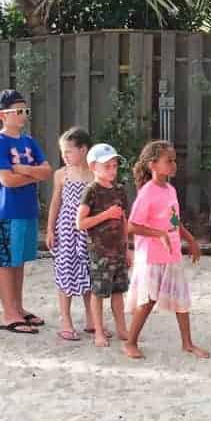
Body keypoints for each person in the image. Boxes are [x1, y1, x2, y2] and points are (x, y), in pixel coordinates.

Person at [124, 140, 209, 360]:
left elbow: (174, 220)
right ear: (153, 165)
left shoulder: (170, 189)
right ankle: (130, 342)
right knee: (148, 300)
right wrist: (158, 234)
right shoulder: (147, 193)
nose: (173, 164)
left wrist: (190, 240)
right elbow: (131, 226)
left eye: (174, 160)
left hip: (172, 254)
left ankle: (187, 343)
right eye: (168, 161)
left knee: (181, 298)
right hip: (151, 256)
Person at [0, 89, 52, 334]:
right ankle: (8, 313)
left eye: (26, 110)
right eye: (19, 111)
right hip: (8, 211)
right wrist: (32, 173)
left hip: (28, 209)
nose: (24, 115)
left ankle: (18, 307)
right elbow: (6, 180)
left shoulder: (29, 141)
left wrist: (22, 170)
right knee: (7, 262)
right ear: (2, 115)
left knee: (19, 262)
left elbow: (47, 171)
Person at [76, 143, 130, 348]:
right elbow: (80, 223)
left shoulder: (119, 190)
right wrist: (106, 215)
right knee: (99, 292)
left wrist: (127, 248)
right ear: (93, 167)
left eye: (115, 166)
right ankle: (98, 331)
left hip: (118, 250)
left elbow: (124, 220)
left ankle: (122, 329)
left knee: (118, 291)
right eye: (107, 166)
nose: (112, 170)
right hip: (100, 252)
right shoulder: (91, 191)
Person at [46, 127, 93, 341]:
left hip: (89, 230)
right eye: (62, 152)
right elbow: (56, 203)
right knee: (66, 271)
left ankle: (92, 318)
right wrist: (49, 229)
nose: (64, 156)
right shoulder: (61, 174)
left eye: (68, 152)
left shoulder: (95, 173)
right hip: (65, 230)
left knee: (88, 271)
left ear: (83, 150)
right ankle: (65, 319)